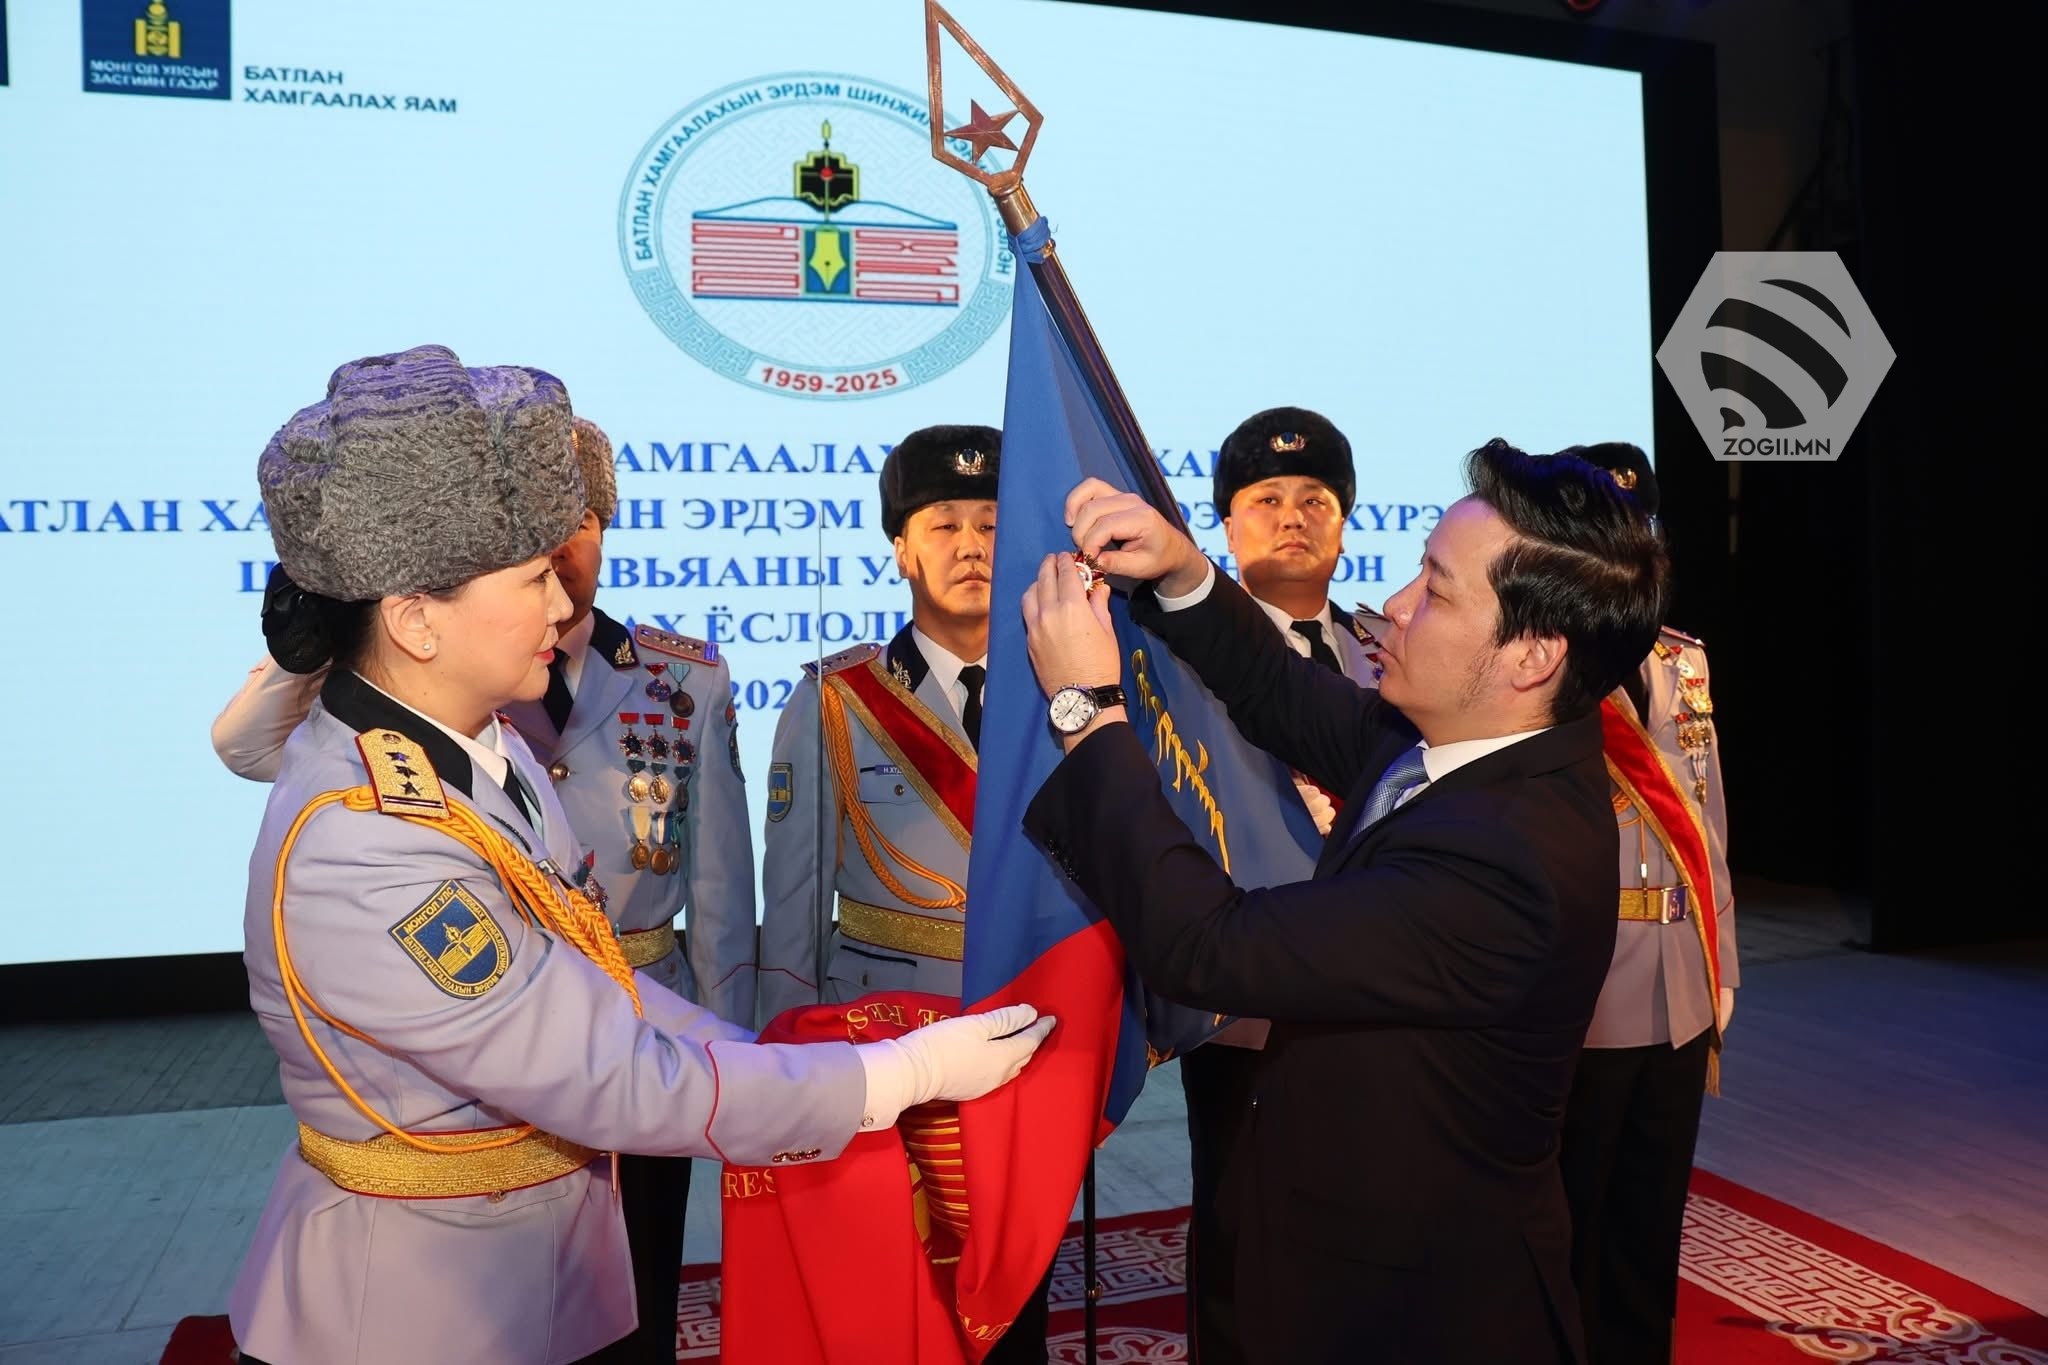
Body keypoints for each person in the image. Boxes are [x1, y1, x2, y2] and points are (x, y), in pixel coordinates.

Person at [223, 345, 1052, 1365]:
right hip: (414, 1311)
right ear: (415, 620)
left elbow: (599, 979)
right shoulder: (371, 839)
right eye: (532, 578)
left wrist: (780, 1059)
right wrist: (892, 1075)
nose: (562, 604)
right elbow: (603, 1074)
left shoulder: (480, 755)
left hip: (549, 1276)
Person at [1016, 439, 1669, 1365]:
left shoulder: (1511, 858)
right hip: (1338, 1255)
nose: (1397, 605)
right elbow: (1280, 692)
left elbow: (1207, 945)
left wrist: (1087, 707)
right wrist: (1181, 571)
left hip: (1414, 1311)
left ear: (1532, 655)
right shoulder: (1463, 742)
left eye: (1437, 591)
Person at [756, 424, 1056, 1363]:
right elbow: (794, 904)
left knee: (1018, 1290)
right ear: (901, 548)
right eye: (944, 524)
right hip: (884, 1040)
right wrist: (788, 1063)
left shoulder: (1070, 691)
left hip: (1029, 1035)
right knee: (897, 1290)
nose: (971, 546)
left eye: (992, 524)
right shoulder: (837, 700)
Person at [1183, 405, 1386, 1365]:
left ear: (1344, 523)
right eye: (1266, 498)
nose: (1293, 516)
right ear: (1227, 525)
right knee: (1241, 1229)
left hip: (1380, 992)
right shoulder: (1179, 658)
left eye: (1316, 499)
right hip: (1248, 995)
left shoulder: (1392, 652)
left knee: (1369, 1221)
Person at [1552, 441, 1738, 1365]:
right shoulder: (1545, 660)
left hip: (1680, 983)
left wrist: (1722, 963)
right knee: (1570, 1219)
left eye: (1641, 523)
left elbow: (1710, 824)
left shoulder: (1684, 660)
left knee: (1651, 1221)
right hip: (1580, 984)